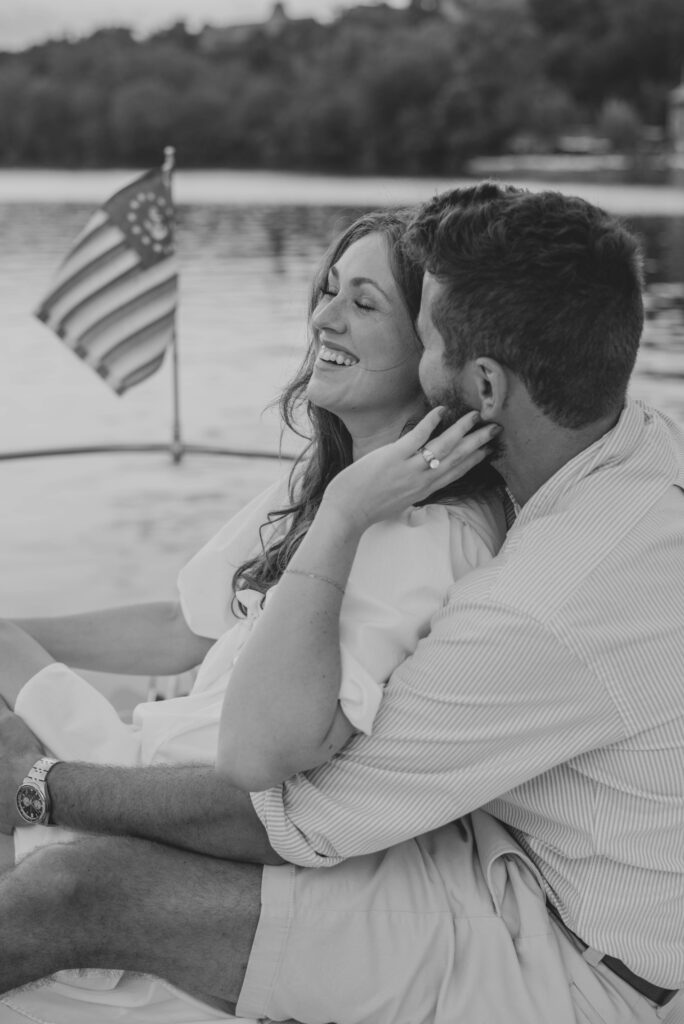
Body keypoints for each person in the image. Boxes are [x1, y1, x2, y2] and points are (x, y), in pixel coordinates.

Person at [1, 182, 683, 1024]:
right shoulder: (643, 448)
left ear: (482, 388)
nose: (325, 320)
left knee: (79, 891)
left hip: (575, 959)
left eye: (420, 333)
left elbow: (278, 802)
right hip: (503, 853)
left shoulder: (535, 605)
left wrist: (38, 785)